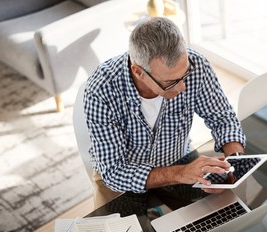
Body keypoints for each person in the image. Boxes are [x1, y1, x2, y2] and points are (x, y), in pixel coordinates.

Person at [84, 17, 246, 208]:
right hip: (122, 180)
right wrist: (180, 173)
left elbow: (223, 119)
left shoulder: (196, 65)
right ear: (138, 72)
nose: (182, 88)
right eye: (170, 83)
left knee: (217, 215)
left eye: (184, 75)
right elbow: (113, 172)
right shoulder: (101, 90)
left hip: (178, 159)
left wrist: (234, 163)